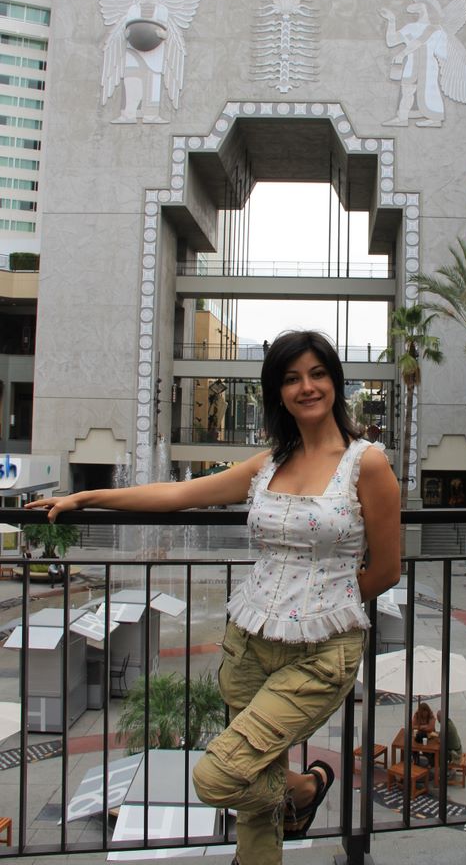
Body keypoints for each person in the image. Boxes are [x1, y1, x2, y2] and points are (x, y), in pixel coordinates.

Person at [27, 329, 401, 865]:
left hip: (321, 654)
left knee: (219, 775)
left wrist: (324, 606)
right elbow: (179, 493)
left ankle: (305, 787)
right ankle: (280, 813)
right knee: (255, 795)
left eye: (318, 374)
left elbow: (385, 570)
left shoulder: (367, 464)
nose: (307, 387)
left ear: (335, 383)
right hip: (247, 645)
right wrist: (89, 496)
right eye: (292, 378)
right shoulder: (270, 463)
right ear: (278, 393)